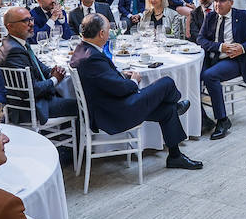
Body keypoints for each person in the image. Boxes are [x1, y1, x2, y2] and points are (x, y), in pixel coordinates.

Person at [70, 15, 201, 170]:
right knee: (166, 83)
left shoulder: (82, 49)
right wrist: (134, 80)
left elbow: (103, 80)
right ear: (101, 34)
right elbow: (121, 89)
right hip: (116, 112)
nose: (110, 32)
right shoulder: (92, 58)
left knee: (167, 110)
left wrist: (121, 75)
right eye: (108, 29)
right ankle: (176, 104)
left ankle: (175, 156)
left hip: (108, 105)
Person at [196, 0, 246, 140]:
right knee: (192, 75)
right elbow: (200, 39)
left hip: (235, 61)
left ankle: (222, 120)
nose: (217, 4)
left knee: (209, 76)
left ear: (231, 3)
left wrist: (243, 48)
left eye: (221, 1)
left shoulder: (243, 16)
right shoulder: (210, 16)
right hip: (214, 57)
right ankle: (202, 118)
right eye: (215, 1)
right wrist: (220, 46)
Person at [0, 9, 78, 125]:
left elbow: (39, 66)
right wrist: (55, 79)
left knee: (65, 96)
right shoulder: (14, 51)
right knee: (80, 105)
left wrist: (52, 71)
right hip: (30, 109)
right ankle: (81, 142)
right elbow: (33, 89)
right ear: (10, 27)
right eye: (25, 21)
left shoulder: (14, 42)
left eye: (31, 19)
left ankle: (63, 134)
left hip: (33, 102)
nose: (31, 23)